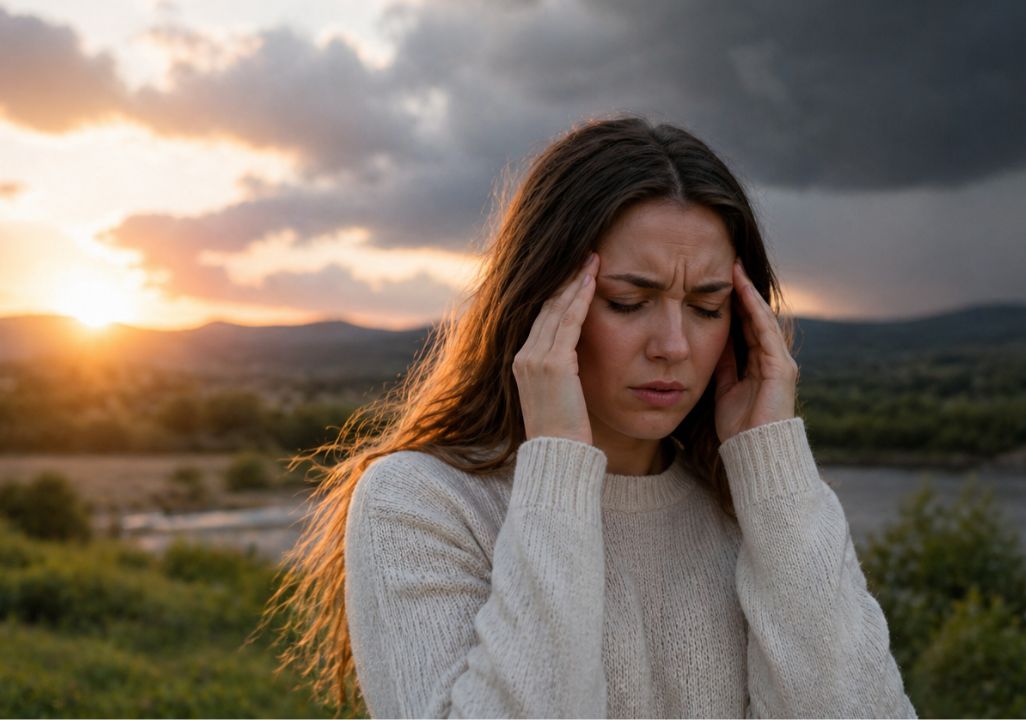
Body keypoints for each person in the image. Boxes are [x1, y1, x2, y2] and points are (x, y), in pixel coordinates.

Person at [265, 115, 916, 718]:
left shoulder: (753, 511)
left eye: (708, 306)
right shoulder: (423, 503)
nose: (673, 344)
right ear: (541, 305)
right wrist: (558, 470)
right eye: (629, 301)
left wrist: (773, 468)